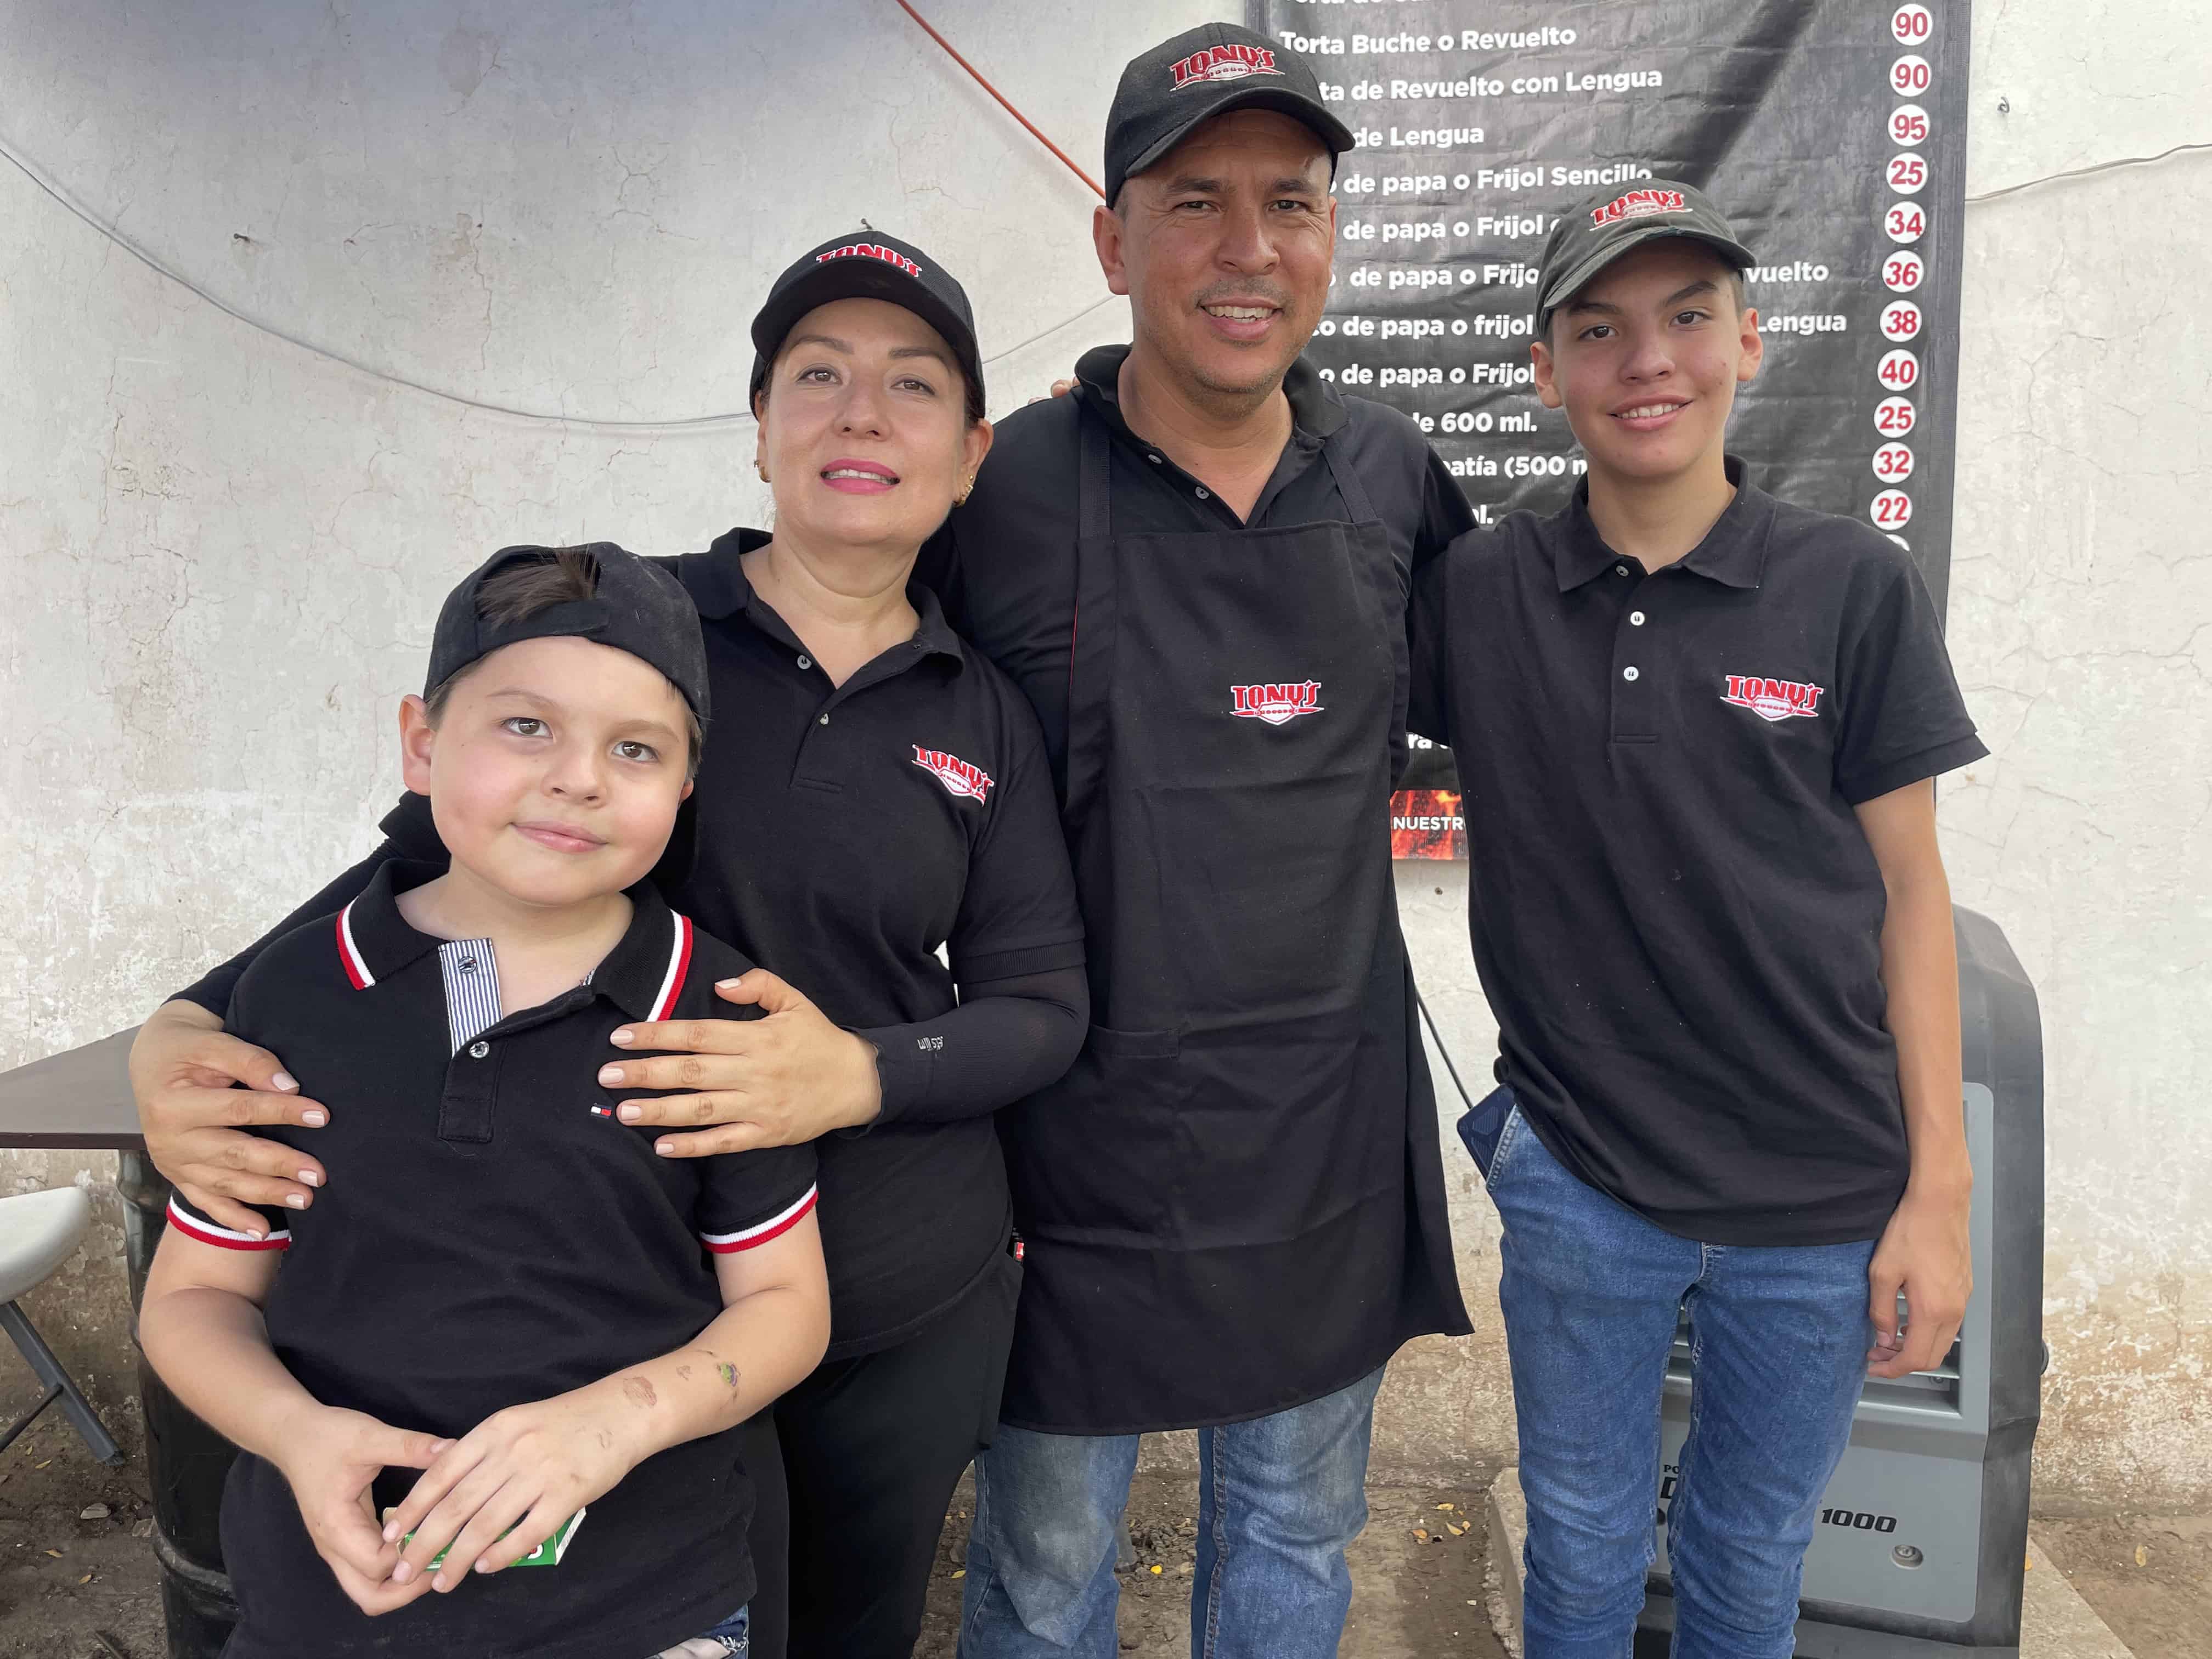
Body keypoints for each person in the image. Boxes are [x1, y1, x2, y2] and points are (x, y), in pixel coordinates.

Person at [129, 232, 1088, 1659]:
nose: (862, 413)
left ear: (971, 451)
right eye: (816, 376)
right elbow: (412, 876)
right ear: (759, 429)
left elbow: (1042, 1006)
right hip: (627, 1291)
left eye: (913, 385)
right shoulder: (635, 641)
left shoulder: (984, 707)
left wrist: (852, 1079)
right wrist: (178, 1032)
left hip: (891, 1292)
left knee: (854, 1627)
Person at [924, 24, 1475, 1658]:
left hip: (1318, 1138)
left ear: (1331, 237)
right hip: (1063, 1153)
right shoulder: (999, 489)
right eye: (1195, 201)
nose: (1250, 250)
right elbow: (784, 693)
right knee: (1041, 1563)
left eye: (1292, 203)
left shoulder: (1390, 479)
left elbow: (1571, 724)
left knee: (1299, 1544)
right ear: (1112, 239)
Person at [1410, 182, 1983, 1658]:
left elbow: (1914, 899)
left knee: (1750, 1550)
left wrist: (1938, 1195)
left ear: (1750, 342)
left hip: (1821, 1200)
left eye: (1684, 319)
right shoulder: (1480, 590)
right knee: (1586, 1548)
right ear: (1546, 371)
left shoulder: (1853, 585)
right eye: (1598, 330)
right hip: (1586, 1187)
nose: (1645, 361)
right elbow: (1275, 611)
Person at [137, 543, 832, 1659]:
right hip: (329, 1601)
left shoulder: (717, 1019)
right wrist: (298, 1436)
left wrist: (616, 1423)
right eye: (526, 727)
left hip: (640, 1610)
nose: (579, 777)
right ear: (420, 742)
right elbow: (193, 1300)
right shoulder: (292, 995)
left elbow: (787, 1308)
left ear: (687, 784)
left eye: (637, 748)